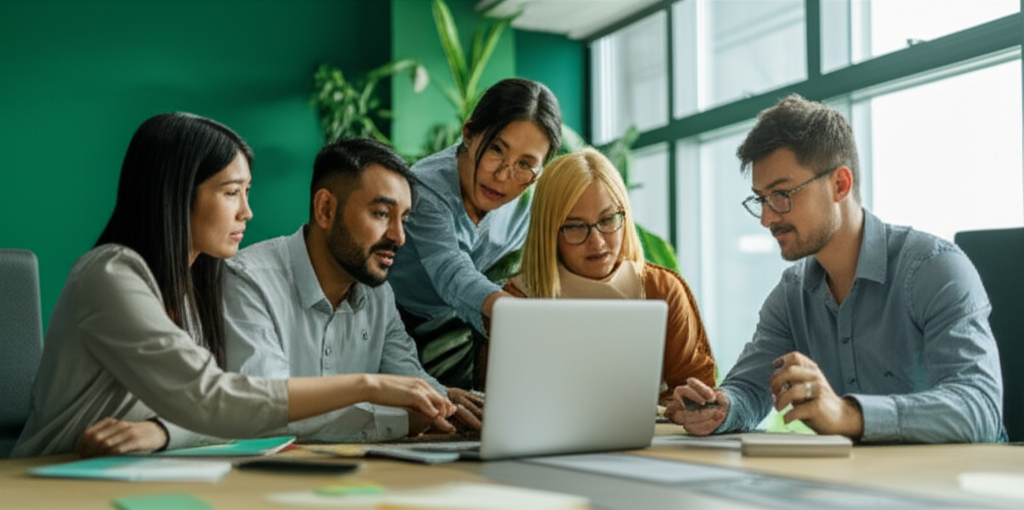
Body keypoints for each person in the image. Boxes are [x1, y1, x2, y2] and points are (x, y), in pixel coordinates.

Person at [11, 113, 455, 458]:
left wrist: (162, 431)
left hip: (125, 477)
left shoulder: (192, 288)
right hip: (46, 480)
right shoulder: (110, 274)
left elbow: (222, 408)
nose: (247, 213)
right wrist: (368, 385)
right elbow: (211, 397)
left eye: (247, 193)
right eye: (231, 192)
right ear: (178, 194)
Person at [666, 94, 1004, 443]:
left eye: (782, 194)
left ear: (840, 185)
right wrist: (720, 407)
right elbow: (748, 390)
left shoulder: (934, 268)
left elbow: (979, 407)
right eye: (761, 199)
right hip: (858, 488)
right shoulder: (791, 293)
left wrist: (847, 414)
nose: (767, 218)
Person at [222, 138, 482, 441]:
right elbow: (267, 408)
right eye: (382, 214)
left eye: (405, 219)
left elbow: (408, 378)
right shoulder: (248, 281)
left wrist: (448, 402)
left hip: (357, 478)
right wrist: (400, 420)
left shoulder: (379, 294)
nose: (399, 237)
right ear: (326, 209)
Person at [500, 148, 716, 403]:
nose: (597, 241)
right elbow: (503, 400)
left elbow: (699, 393)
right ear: (548, 233)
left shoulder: (662, 289)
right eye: (576, 226)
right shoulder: (516, 300)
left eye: (608, 219)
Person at [387, 78, 562, 389]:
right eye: (496, 150)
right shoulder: (424, 188)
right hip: (393, 318)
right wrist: (510, 312)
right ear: (468, 133)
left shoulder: (529, 200)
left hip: (466, 319)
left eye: (525, 164)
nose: (503, 176)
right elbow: (450, 270)